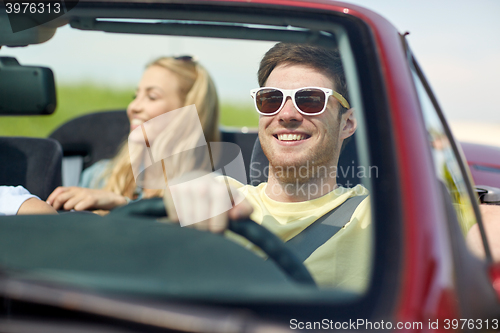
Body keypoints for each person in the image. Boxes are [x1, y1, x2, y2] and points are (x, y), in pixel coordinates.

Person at [164, 43, 371, 292]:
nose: (286, 114)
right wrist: (186, 184)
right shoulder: (224, 196)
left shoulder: (374, 216)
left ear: (348, 123)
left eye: (310, 100)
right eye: (271, 99)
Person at [47, 56, 220, 212]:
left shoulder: (208, 190)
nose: (133, 107)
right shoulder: (99, 176)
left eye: (152, 97)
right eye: (135, 96)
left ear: (186, 113)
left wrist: (122, 205)